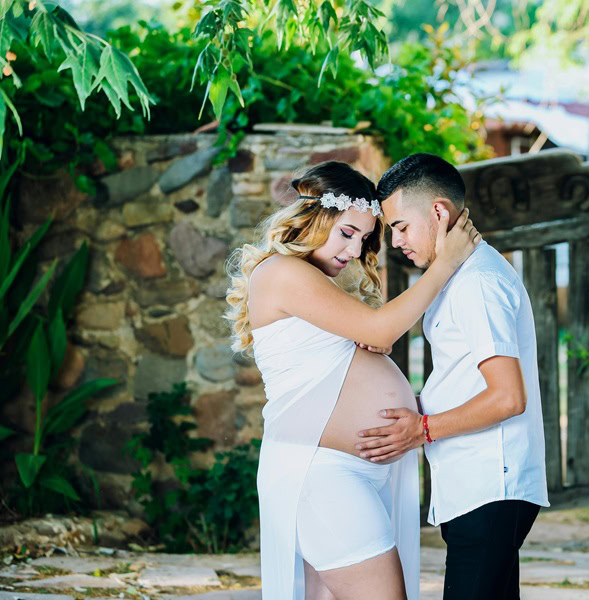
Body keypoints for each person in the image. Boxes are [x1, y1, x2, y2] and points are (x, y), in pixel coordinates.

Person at [224, 161, 481, 600]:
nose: (353, 249)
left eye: (363, 238)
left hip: (348, 473)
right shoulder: (283, 272)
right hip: (323, 474)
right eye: (346, 232)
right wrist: (446, 264)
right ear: (314, 218)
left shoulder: (320, 282)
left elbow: (367, 342)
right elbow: (382, 329)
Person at [357, 153, 550, 599]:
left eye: (402, 226)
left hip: (490, 485)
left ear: (439, 212)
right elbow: (463, 379)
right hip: (474, 483)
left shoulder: (479, 282)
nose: (397, 241)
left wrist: (420, 430)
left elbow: (507, 398)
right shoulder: (460, 276)